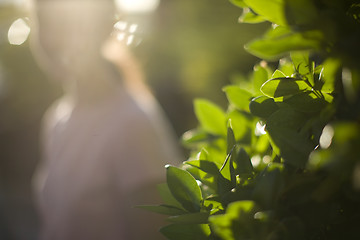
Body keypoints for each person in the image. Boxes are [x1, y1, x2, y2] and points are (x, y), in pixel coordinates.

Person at [27, 0, 181, 239]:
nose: (53, 40)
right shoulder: (56, 120)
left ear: (103, 29)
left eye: (67, 25)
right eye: (44, 24)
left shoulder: (131, 122)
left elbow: (154, 230)